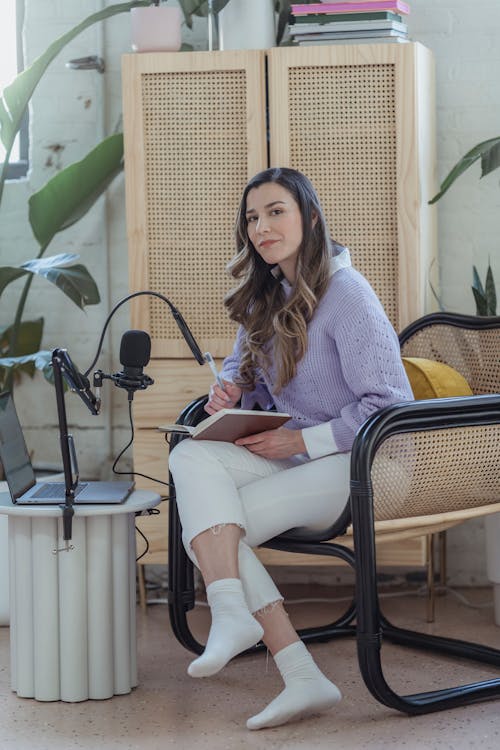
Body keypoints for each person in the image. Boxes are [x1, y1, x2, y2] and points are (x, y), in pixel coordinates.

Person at [169, 167, 413, 730]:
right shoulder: (266, 295)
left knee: (214, 531)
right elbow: (247, 374)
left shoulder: (347, 292)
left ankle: (282, 656)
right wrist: (231, 392)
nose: (261, 226)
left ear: (310, 217)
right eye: (252, 217)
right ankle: (251, 629)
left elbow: (388, 404)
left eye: (276, 211)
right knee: (190, 457)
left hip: (371, 463)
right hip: (305, 459)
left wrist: (300, 438)